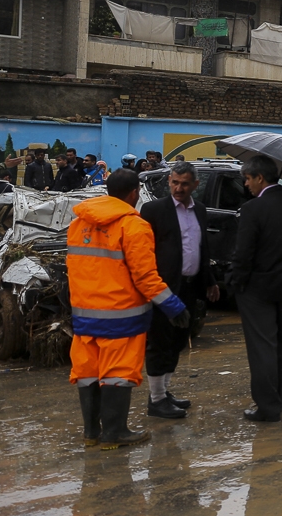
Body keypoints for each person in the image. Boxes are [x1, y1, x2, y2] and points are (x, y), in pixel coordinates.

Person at [67, 168, 190, 448]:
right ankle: (115, 432)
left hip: (84, 315)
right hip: (121, 317)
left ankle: (92, 434)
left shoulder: (79, 224)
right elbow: (146, 277)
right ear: (134, 193)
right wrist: (174, 306)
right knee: (118, 375)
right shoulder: (134, 226)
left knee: (88, 372)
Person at [229, 154, 282, 422]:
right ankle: (278, 399)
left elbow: (243, 254)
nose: (246, 185)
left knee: (262, 348)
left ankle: (267, 407)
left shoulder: (253, 209)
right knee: (281, 346)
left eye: (248, 179)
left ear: (260, 178)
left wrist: (236, 282)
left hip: (258, 288)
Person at [139, 161, 220, 420]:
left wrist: (209, 280)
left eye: (185, 184)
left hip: (190, 287)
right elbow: (143, 251)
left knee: (177, 342)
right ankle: (156, 399)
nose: (178, 188)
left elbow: (202, 248)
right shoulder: (154, 210)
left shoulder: (200, 211)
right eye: (175, 182)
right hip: (163, 289)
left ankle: (164, 392)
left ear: (195, 185)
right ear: (169, 182)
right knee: (159, 342)